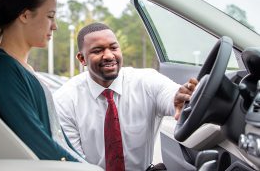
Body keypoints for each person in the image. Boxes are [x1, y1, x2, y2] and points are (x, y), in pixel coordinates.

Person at [54, 22, 198, 170]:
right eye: (97, 51)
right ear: (82, 59)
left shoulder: (147, 81)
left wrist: (180, 99)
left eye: (114, 47)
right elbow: (75, 163)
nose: (109, 55)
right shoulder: (65, 100)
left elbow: (171, 95)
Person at [0, 0, 85, 162]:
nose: (55, 26)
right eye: (50, 16)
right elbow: (37, 143)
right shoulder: (1, 70)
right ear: (25, 15)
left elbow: (57, 138)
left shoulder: (17, 67)